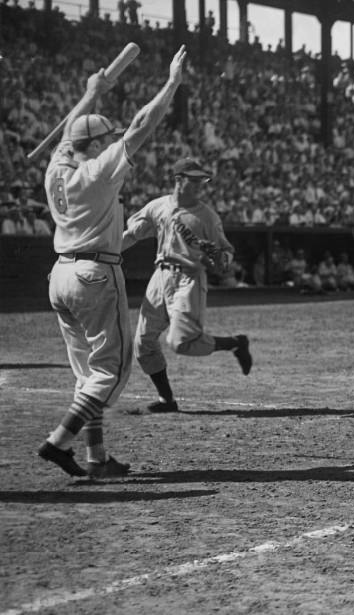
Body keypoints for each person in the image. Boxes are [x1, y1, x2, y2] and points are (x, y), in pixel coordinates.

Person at [37, 45, 188, 479]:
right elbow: (142, 124)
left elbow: (69, 132)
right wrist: (171, 83)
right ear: (98, 144)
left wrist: (92, 92)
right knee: (110, 373)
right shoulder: (98, 171)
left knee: (87, 373)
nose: (111, 140)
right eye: (106, 137)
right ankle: (57, 442)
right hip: (95, 274)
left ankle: (97, 459)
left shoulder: (56, 168)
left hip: (60, 274)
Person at [122, 157, 253, 414]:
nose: (199, 185)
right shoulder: (158, 206)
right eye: (193, 180)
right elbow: (132, 234)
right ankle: (167, 401)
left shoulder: (207, 217)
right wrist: (103, 254)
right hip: (160, 277)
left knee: (181, 343)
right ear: (178, 180)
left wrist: (220, 258)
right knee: (143, 343)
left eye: (201, 180)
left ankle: (236, 343)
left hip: (189, 278)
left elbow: (227, 254)